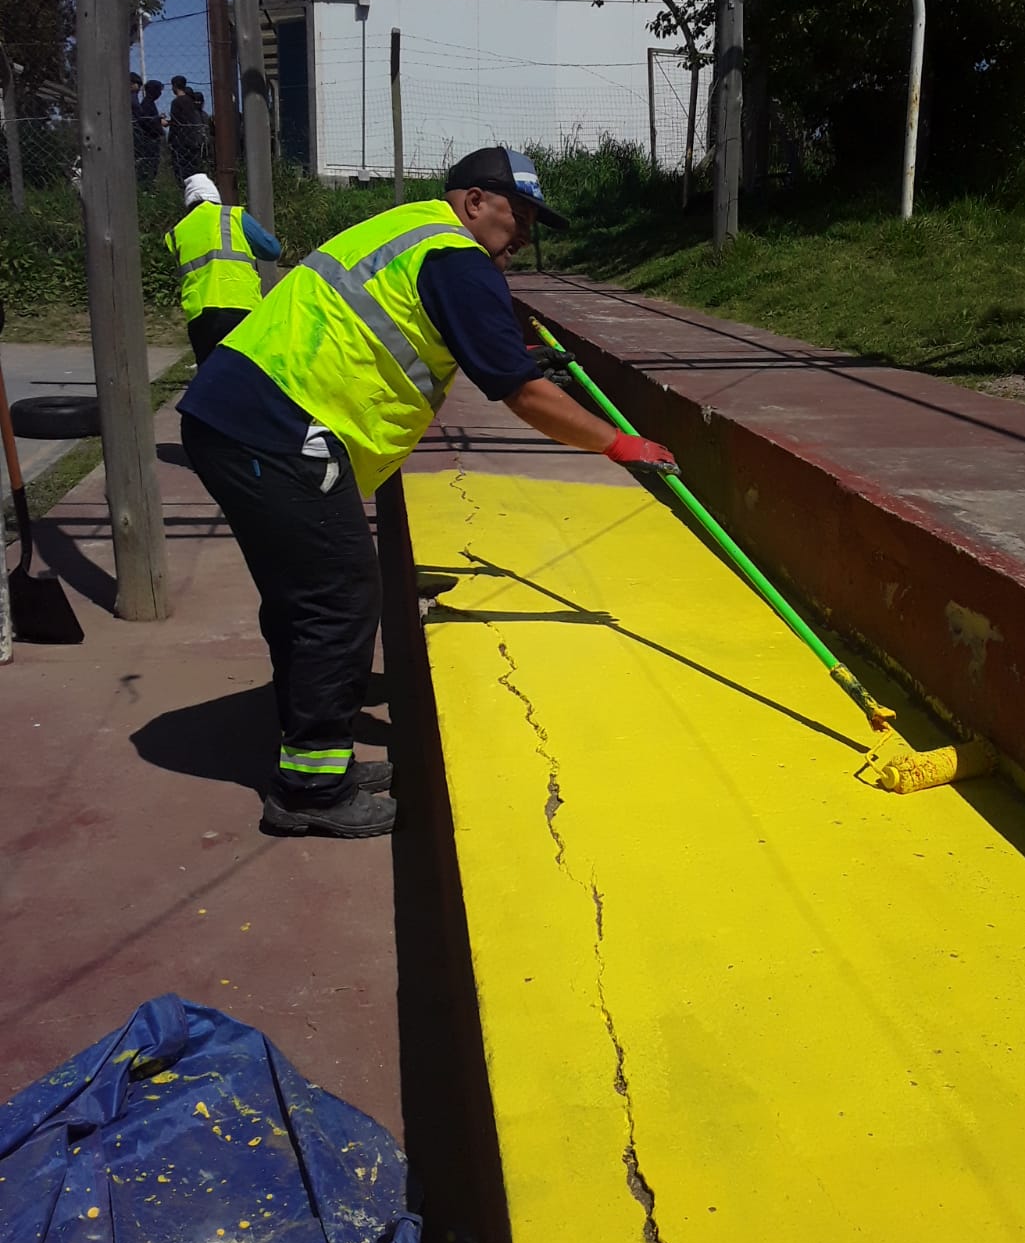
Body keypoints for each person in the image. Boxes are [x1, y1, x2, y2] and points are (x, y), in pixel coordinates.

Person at [178, 146, 678, 841]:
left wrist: (519, 355)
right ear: (475, 201)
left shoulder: (417, 233)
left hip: (249, 416)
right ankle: (310, 792)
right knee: (339, 596)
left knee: (312, 597)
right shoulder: (458, 259)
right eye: (519, 213)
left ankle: (319, 762)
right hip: (275, 425)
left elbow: (476, 345)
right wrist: (618, 444)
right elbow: (520, 394)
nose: (525, 232)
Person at [164, 174, 281, 364]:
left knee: (210, 376)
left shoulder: (177, 232)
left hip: (199, 315)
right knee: (243, 373)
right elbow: (272, 249)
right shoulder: (233, 216)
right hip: (239, 306)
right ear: (215, 197)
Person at [168, 75, 205, 186]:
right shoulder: (190, 101)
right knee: (192, 169)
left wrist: (170, 138)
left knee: (181, 170)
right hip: (192, 139)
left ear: (174, 86)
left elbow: (175, 123)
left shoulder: (176, 102)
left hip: (180, 141)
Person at [133, 79, 165, 185]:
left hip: (152, 140)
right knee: (149, 164)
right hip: (149, 140)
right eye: (159, 91)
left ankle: (149, 183)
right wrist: (158, 118)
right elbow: (145, 122)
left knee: (153, 164)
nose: (160, 94)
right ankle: (146, 185)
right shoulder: (147, 104)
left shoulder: (150, 103)